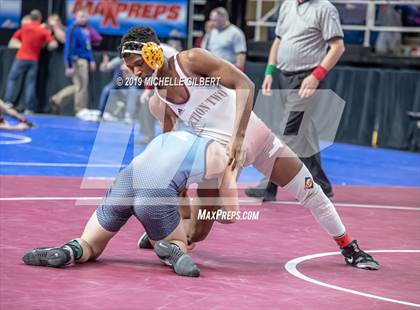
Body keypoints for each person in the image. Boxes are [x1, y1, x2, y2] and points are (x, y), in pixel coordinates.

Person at [121, 26, 379, 270]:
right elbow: (172, 141)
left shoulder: (191, 61)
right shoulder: (158, 99)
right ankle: (165, 233)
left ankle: (349, 247)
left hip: (254, 137)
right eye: (131, 69)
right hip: (218, 156)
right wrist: (181, 186)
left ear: (152, 52)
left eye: (138, 65)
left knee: (311, 190)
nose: (136, 73)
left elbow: (244, 84)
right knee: (196, 233)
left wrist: (238, 137)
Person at [22, 130, 239, 277]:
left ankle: (70, 250)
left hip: (126, 180)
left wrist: (184, 216)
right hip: (157, 190)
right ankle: (172, 250)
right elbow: (231, 216)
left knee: (90, 244)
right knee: (181, 243)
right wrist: (207, 212)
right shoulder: (226, 159)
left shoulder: (174, 137)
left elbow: (180, 198)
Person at [246, 0, 346, 201]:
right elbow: (278, 40)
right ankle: (321, 184)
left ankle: (268, 186)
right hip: (285, 76)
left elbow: (337, 47)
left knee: (287, 133)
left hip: (306, 79)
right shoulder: (287, 5)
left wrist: (316, 76)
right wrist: (269, 71)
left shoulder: (325, 8)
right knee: (304, 134)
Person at [4, 10, 58, 113]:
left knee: (12, 79)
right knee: (30, 84)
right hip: (33, 60)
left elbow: (12, 41)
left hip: (21, 57)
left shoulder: (25, 28)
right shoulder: (42, 30)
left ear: (30, 18)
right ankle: (29, 108)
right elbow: (54, 44)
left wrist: (23, 46)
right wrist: (43, 45)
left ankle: (7, 103)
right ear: (40, 18)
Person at [53, 8, 102, 119]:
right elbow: (68, 48)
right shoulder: (73, 29)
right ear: (76, 17)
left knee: (82, 86)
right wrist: (68, 65)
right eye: (81, 16)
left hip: (85, 59)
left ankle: (58, 99)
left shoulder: (86, 29)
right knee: (80, 86)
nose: (84, 18)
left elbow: (89, 46)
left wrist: (91, 60)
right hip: (76, 60)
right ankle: (79, 109)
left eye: (85, 16)